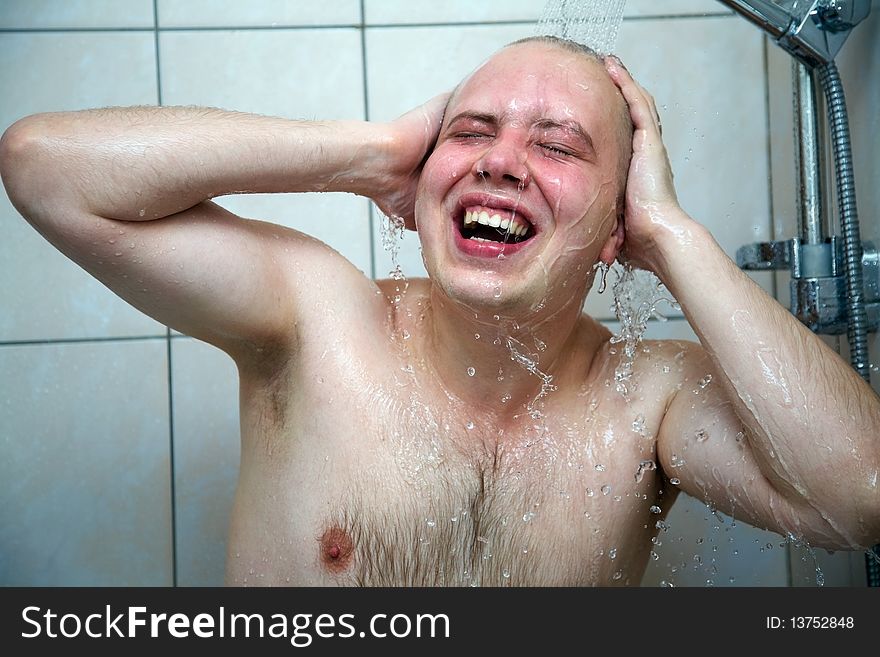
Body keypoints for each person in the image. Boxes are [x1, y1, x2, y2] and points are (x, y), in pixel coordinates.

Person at [1, 36, 877, 587]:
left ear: (617, 222)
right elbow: (44, 167)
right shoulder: (316, 320)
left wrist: (675, 234)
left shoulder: (649, 399)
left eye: (556, 144)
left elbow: (860, 496)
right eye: (469, 131)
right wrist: (368, 153)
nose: (501, 161)